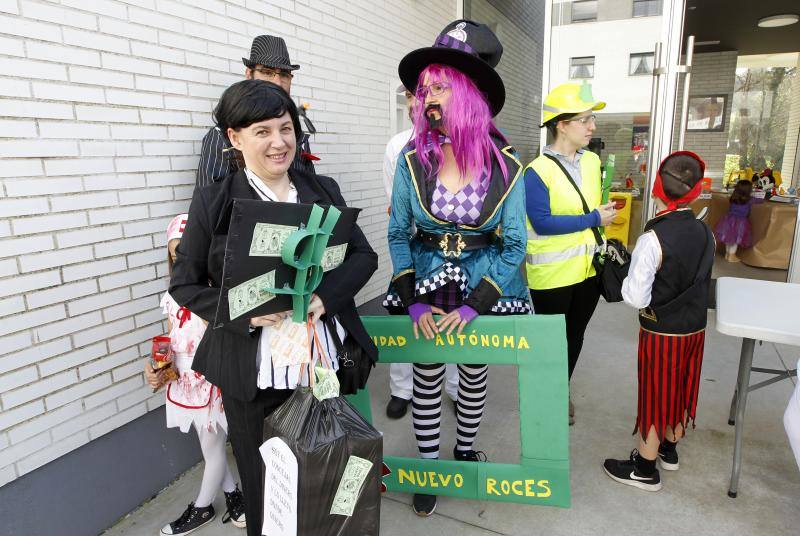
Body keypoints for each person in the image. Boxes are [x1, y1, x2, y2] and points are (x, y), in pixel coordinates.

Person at [170, 80, 378, 536]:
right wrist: (240, 310)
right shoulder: (214, 201)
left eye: (285, 128)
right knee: (267, 484)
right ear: (234, 138)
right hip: (252, 371)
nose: (278, 142)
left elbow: (364, 256)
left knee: (326, 469)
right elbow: (184, 285)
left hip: (319, 364)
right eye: (261, 131)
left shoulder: (320, 189)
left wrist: (326, 296)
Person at [387, 19, 529, 517]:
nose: (428, 96)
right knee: (426, 375)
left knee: (472, 373)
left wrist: (476, 306)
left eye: (441, 86)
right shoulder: (412, 159)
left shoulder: (506, 164)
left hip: (483, 284)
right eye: (425, 87)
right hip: (426, 282)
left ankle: (463, 452)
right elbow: (396, 234)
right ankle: (429, 465)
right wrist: (415, 298)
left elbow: (514, 244)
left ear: (468, 94)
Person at [603, 151, 714, 492]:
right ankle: (669, 448)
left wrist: (621, 270)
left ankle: (645, 468)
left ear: (656, 189)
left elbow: (635, 298)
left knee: (656, 392)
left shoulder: (652, 237)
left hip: (662, 331)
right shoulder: (705, 231)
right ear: (695, 191)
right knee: (682, 386)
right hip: (694, 328)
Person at [144, 214, 245, 535]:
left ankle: (201, 508)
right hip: (186, 379)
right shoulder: (173, 294)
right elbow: (170, 338)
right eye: (175, 255)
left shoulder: (218, 292)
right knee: (208, 443)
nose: (181, 262)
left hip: (212, 374)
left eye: (187, 253)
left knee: (213, 446)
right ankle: (234, 496)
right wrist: (157, 367)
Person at [523, 81, 616, 425]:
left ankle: (559, 390)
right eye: (584, 120)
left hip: (589, 271)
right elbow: (542, 223)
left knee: (574, 337)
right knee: (549, 343)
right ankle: (543, 395)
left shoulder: (592, 161)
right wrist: (593, 218)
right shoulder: (536, 171)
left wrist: (601, 214)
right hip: (551, 278)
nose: (592, 126)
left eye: (592, 119)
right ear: (561, 124)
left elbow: (586, 205)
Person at [383, 86, 458, 419]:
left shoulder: (461, 140)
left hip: (456, 251)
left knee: (454, 317)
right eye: (416, 94)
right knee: (406, 314)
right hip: (414, 247)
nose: (422, 101)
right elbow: (396, 209)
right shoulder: (399, 146)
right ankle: (403, 388)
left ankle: (455, 388)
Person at [196, 35, 316, 188]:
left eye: (284, 74)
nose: (277, 82)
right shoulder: (221, 136)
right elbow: (211, 203)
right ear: (249, 75)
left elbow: (312, 188)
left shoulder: (296, 133)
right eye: (267, 72)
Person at [714, 179, 761, 263]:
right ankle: (732, 256)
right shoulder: (750, 200)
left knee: (729, 239)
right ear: (748, 191)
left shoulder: (733, 198)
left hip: (729, 220)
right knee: (735, 240)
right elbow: (760, 201)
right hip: (740, 222)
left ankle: (728, 254)